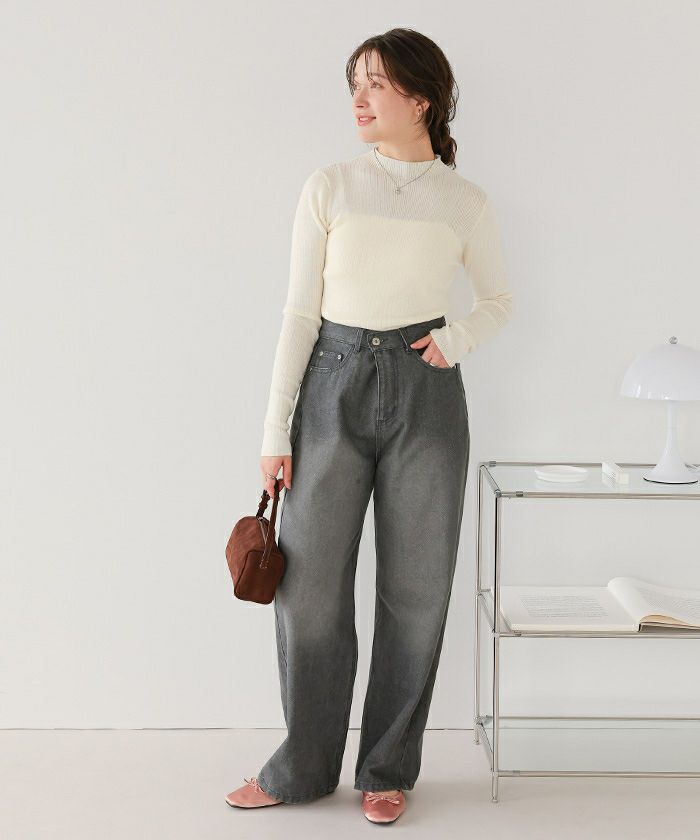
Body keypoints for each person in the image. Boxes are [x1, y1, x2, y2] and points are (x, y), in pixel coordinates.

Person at [226, 27, 513, 824]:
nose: (358, 98)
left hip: (427, 393)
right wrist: (275, 430)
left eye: (376, 83)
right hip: (332, 385)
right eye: (354, 82)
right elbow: (299, 313)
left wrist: (454, 340)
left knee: (417, 590)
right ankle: (302, 767)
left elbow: (498, 301)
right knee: (309, 590)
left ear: (421, 98)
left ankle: (387, 768)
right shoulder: (331, 186)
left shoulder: (464, 201)